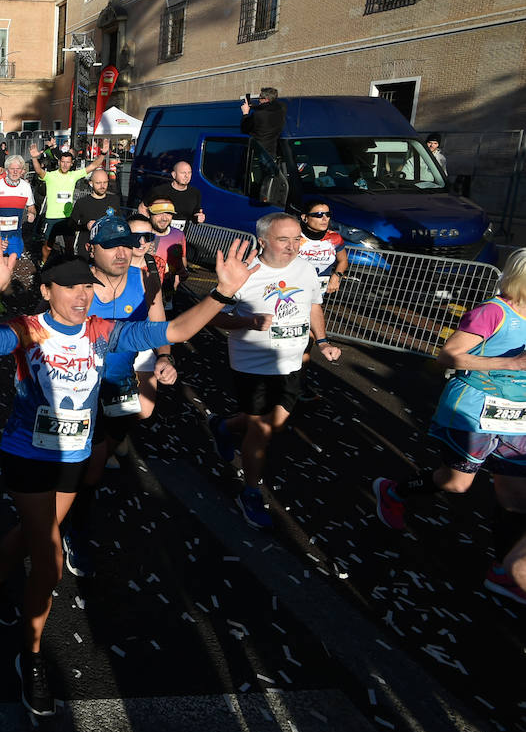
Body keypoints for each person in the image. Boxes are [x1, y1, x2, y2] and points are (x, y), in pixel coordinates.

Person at [0, 235, 254, 721]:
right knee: (49, 556)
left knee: (40, 532)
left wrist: (222, 292)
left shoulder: (104, 330)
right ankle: (32, 657)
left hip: (74, 454)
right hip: (27, 455)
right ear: (45, 291)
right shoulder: (29, 329)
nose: (81, 296)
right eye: (70, 287)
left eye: (88, 288)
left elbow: (177, 331)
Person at [372, 248, 526, 603]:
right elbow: (449, 355)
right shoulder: (494, 312)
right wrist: (514, 363)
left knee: (516, 497)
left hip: (516, 415)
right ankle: (393, 491)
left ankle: (503, 571)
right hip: (474, 408)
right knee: (457, 484)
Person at [207, 213, 341, 528]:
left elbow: (313, 306)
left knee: (277, 423)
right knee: (262, 430)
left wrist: (322, 342)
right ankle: (250, 492)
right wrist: (247, 322)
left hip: (291, 362)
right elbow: (212, 317)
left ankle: (224, 427)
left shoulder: (305, 269)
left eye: (297, 239)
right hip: (252, 365)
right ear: (264, 241)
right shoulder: (244, 274)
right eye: (284, 239)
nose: (293, 246)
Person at [61, 213, 175, 574]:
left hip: (121, 383)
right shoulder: (76, 283)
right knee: (89, 465)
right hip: (78, 386)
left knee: (117, 436)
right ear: (91, 250)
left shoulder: (145, 279)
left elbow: (158, 324)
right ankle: (74, 529)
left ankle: (72, 498)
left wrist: (165, 357)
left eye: (126, 244)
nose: (121, 252)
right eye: (110, 246)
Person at [31, 144, 103, 261]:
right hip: (52, 217)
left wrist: (103, 153)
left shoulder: (74, 175)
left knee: (69, 246)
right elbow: (39, 171)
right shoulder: (51, 176)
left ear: (72, 163)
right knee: (48, 246)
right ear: (59, 162)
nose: (65, 165)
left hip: (68, 217)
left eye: (68, 162)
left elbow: (94, 165)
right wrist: (34, 158)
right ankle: (43, 264)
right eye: (63, 162)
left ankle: (68, 266)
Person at [0, 155, 36, 263]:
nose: (15, 172)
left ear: (22, 171)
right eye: (12, 169)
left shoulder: (26, 187)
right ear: (7, 170)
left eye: (18, 169)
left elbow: (31, 206)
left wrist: (32, 214)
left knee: (12, 264)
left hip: (15, 234)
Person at [297, 201, 348, 295]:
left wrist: (336, 276)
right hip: (292, 287)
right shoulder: (293, 236)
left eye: (328, 214)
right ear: (305, 217)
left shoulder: (334, 238)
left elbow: (343, 260)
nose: (325, 219)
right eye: (319, 215)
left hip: (318, 290)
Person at [67, 169, 119, 258]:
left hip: (108, 248)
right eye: (98, 183)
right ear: (91, 183)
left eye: (105, 182)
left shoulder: (114, 200)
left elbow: (120, 221)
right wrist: (85, 226)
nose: (102, 186)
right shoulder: (82, 202)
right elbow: (71, 225)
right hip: (87, 249)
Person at [142, 161, 205, 228]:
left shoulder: (195, 193)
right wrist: (147, 226)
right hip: (158, 235)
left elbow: (195, 215)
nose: (186, 176)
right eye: (183, 173)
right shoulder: (159, 191)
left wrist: (198, 218)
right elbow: (142, 207)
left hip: (179, 236)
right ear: (174, 174)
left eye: (189, 172)